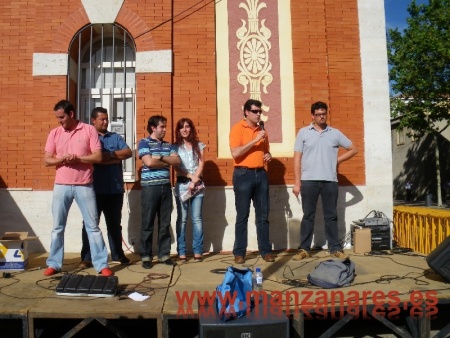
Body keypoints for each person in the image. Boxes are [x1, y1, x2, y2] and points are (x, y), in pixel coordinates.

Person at [43, 100, 113, 277]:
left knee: (92, 226)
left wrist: (78, 159)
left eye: (62, 117)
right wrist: (62, 159)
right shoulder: (55, 133)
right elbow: (47, 160)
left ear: (71, 114)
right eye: (57, 118)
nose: (60, 121)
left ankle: (101, 264)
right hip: (61, 186)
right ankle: (54, 263)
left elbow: (97, 157)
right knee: (57, 227)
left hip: (85, 186)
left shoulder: (89, 130)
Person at [292, 101, 358, 261]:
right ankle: (304, 249)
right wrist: (297, 182)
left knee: (331, 216)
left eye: (324, 114)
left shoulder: (334, 133)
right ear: (312, 116)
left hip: (330, 181)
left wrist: (338, 160)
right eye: (319, 114)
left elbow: (354, 149)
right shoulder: (303, 132)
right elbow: (297, 159)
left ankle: (335, 248)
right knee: (308, 216)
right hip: (308, 180)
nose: (322, 117)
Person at [79, 107, 132, 269]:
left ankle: (118, 254)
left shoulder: (115, 137)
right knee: (90, 224)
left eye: (107, 119)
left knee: (114, 224)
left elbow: (128, 152)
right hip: (94, 189)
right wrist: (113, 158)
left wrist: (109, 155)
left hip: (115, 189)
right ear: (93, 120)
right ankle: (86, 257)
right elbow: (92, 159)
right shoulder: (88, 138)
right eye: (102, 119)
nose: (106, 122)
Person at [229, 99, 274, 264]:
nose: (258, 114)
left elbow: (266, 151)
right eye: (255, 111)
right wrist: (255, 140)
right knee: (242, 215)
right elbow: (235, 153)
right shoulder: (237, 129)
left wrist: (268, 156)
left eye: (259, 111)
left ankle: (266, 251)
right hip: (243, 174)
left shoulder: (263, 130)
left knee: (263, 216)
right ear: (246, 112)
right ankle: (239, 252)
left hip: (261, 174)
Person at [138, 115, 181, 269]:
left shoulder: (169, 145)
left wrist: (161, 157)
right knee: (148, 222)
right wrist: (166, 160)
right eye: (162, 127)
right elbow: (148, 161)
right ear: (153, 128)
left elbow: (177, 161)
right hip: (150, 187)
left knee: (165, 222)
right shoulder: (144, 142)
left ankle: (164, 255)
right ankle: (146, 256)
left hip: (165, 187)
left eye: (165, 126)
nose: (164, 130)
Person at [173, 118, 206, 263]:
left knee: (197, 218)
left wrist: (195, 179)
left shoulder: (199, 145)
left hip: (197, 187)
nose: (185, 129)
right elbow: (176, 166)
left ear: (191, 128)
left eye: (187, 126)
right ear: (178, 130)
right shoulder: (174, 148)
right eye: (182, 127)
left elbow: (201, 163)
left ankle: (197, 250)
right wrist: (190, 177)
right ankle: (181, 251)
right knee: (182, 219)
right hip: (182, 186)